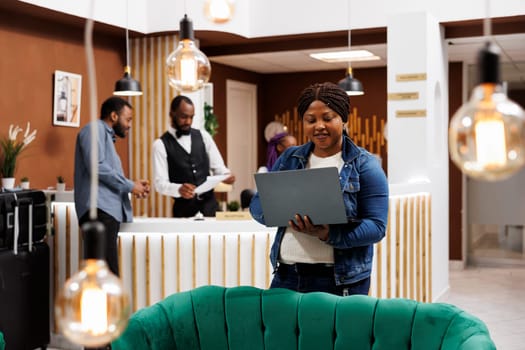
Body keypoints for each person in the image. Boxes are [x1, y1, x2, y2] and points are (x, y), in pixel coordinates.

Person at [250, 82, 389, 296]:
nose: (319, 126)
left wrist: (329, 234)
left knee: (336, 331)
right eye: (311, 120)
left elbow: (377, 226)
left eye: (328, 118)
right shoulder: (289, 158)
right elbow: (258, 204)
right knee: (281, 331)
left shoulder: (365, 165)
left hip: (339, 280)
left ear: (343, 119)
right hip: (287, 275)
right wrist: (278, 212)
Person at [74, 96, 150, 277]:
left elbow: (105, 171)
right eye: (128, 119)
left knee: (105, 275)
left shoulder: (105, 136)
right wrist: (130, 186)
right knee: (105, 276)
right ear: (114, 116)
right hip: (100, 213)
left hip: (105, 213)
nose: (130, 125)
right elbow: (96, 166)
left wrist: (133, 185)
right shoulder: (94, 130)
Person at [152, 95, 235, 218]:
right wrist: (178, 189)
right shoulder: (160, 145)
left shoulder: (204, 136)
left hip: (211, 208)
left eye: (191, 117)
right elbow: (160, 183)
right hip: (183, 212)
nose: (188, 121)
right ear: (172, 114)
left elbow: (219, 168)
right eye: (184, 117)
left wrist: (226, 175)